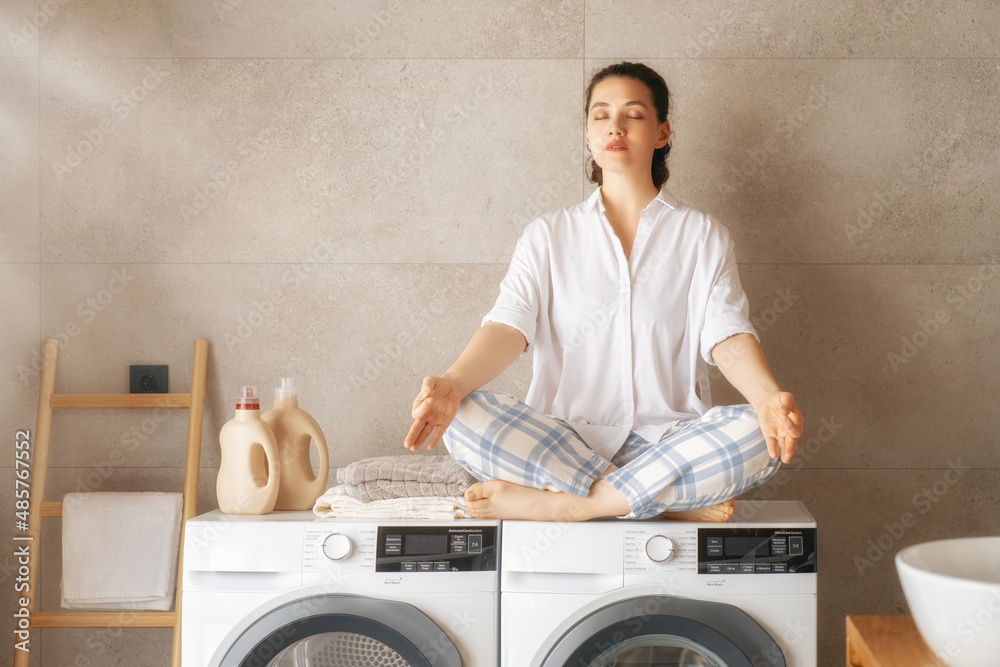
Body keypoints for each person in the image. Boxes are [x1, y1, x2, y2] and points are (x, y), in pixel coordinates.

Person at [404, 62, 803, 523]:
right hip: (558, 443)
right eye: (600, 115)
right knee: (465, 415)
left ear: (661, 133)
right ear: (588, 135)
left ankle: (578, 505)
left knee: (758, 431)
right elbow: (507, 326)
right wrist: (453, 383)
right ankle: (658, 502)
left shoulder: (701, 235)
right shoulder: (548, 235)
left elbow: (728, 337)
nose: (615, 126)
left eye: (633, 114)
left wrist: (768, 395)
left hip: (670, 442)